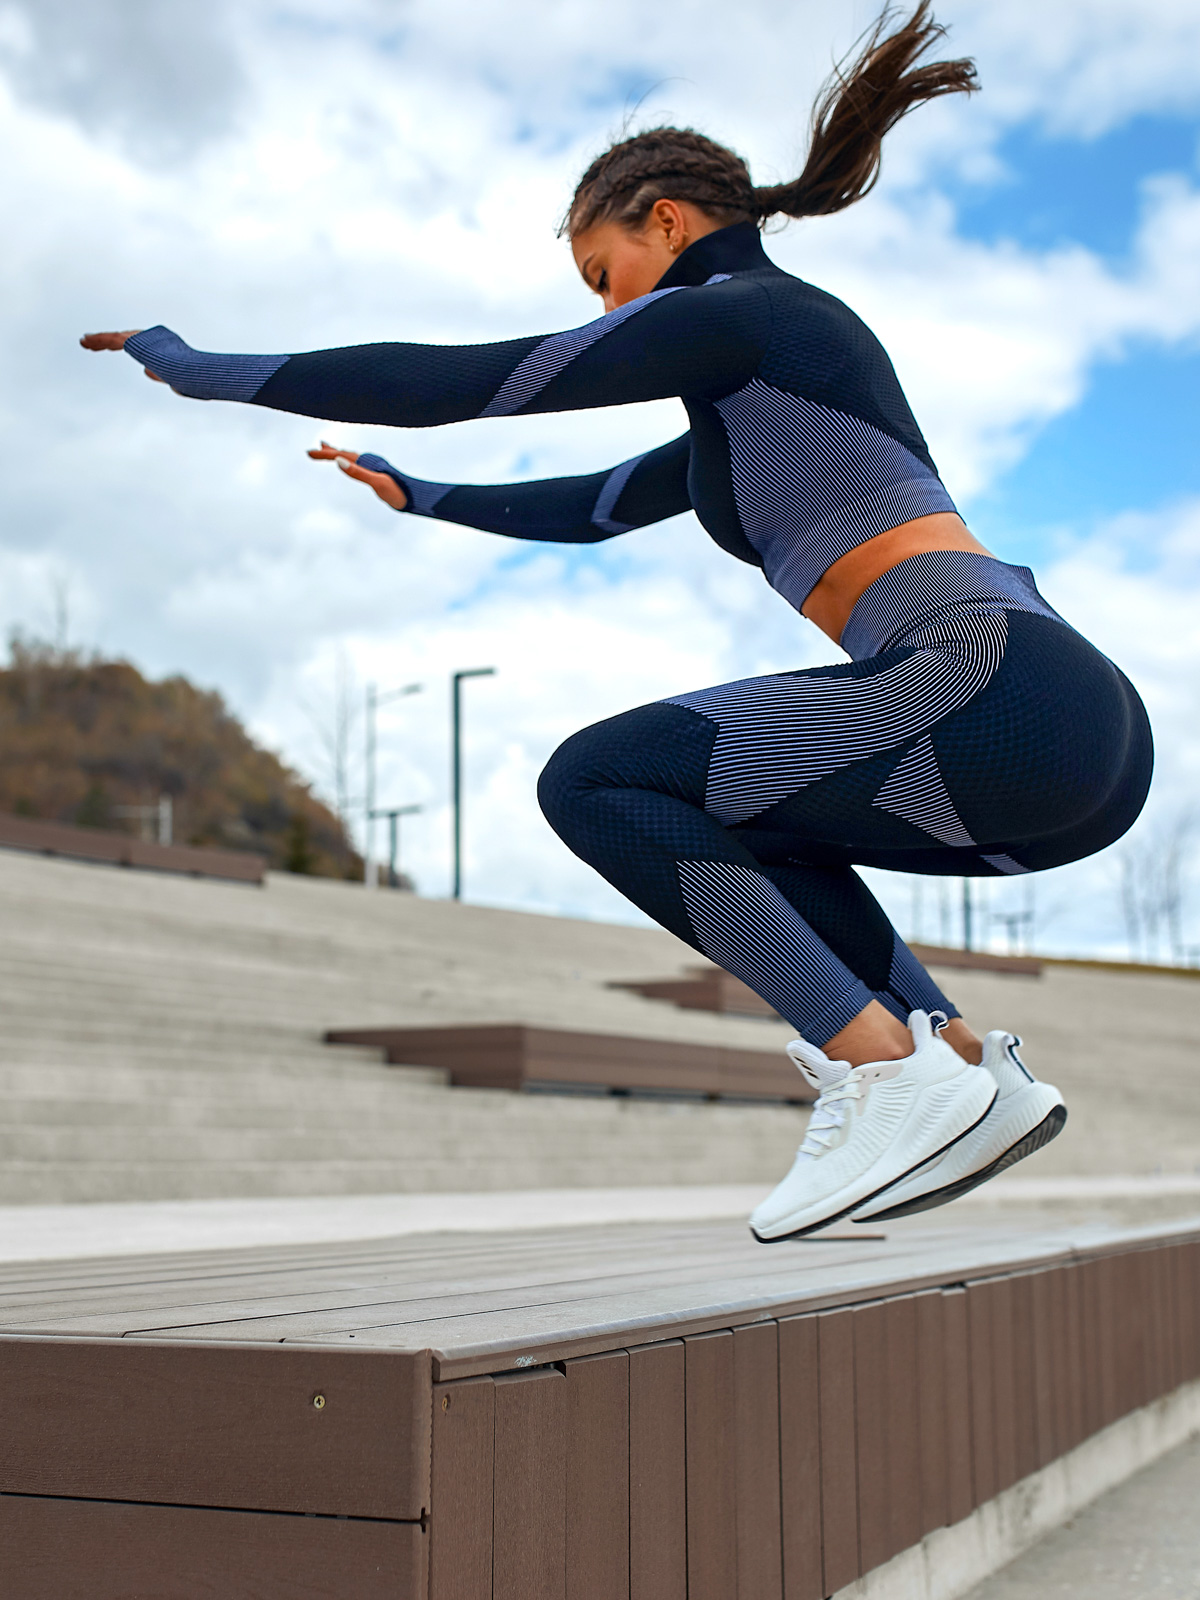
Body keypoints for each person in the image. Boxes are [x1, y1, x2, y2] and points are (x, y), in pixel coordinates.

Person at [82, 3, 1152, 1240]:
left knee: (594, 782)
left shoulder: (746, 311)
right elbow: (589, 509)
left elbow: (463, 380)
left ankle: (885, 1071)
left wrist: (217, 369)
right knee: (760, 827)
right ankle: (964, 1066)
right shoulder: (738, 403)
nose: (602, 315)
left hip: (992, 684)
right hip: (1064, 735)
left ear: (668, 220)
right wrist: (420, 497)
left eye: (603, 277)